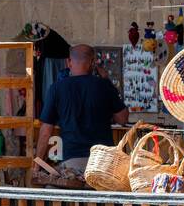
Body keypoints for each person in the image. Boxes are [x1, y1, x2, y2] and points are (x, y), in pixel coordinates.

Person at [35, 44, 129, 173]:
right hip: (103, 163)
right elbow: (122, 119)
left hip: (72, 161)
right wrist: (107, 82)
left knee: (53, 188)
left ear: (69, 62)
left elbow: (46, 131)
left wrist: (37, 163)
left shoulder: (57, 88)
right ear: (92, 63)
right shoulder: (104, 86)